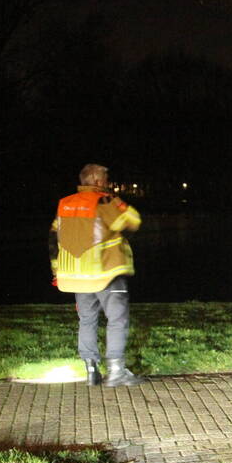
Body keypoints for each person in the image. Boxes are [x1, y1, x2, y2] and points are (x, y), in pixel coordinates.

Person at [50, 163, 145, 387]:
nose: (108, 183)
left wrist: (56, 270)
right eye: (105, 179)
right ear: (97, 181)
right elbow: (133, 221)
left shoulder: (65, 203)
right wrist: (117, 201)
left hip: (76, 275)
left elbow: (54, 239)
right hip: (106, 272)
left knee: (87, 320)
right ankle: (115, 372)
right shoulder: (104, 200)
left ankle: (91, 370)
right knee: (117, 320)